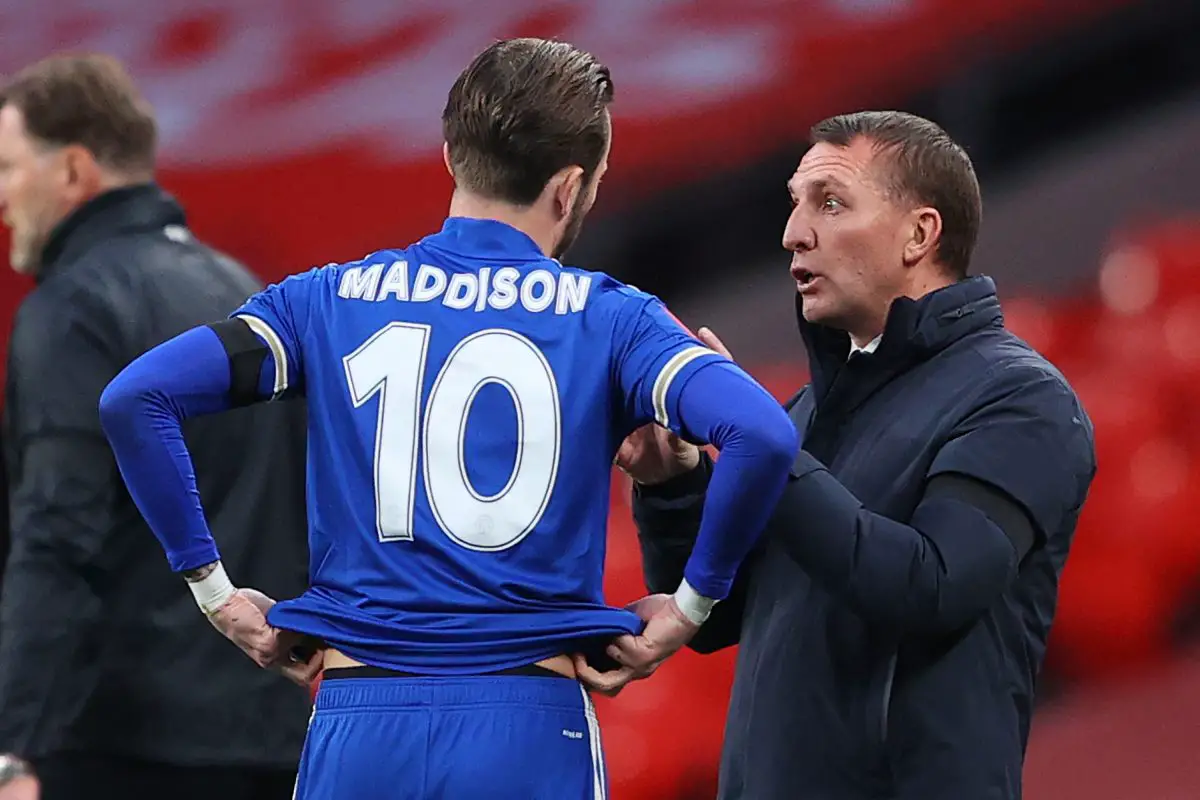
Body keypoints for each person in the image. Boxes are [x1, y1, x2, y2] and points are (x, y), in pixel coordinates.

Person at [97, 37, 798, 800]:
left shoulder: (327, 301)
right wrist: (689, 609)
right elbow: (760, 434)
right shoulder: (614, 321)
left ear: (449, 158)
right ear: (570, 188)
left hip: (358, 719)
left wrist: (217, 594)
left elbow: (136, 399)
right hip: (527, 723)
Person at [598, 111, 1097, 799]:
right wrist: (676, 483)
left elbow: (931, 586)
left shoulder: (1020, 399)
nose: (793, 233)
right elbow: (725, 615)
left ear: (920, 234)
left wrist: (764, 446)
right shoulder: (805, 414)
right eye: (796, 204)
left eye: (829, 203)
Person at [0, 54, 311, 798]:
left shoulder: (73, 307)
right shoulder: (241, 290)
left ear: (72, 171)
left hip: (125, 751)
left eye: (8, 168)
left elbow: (56, 534)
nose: (2, 197)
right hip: (266, 735)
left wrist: (13, 744)